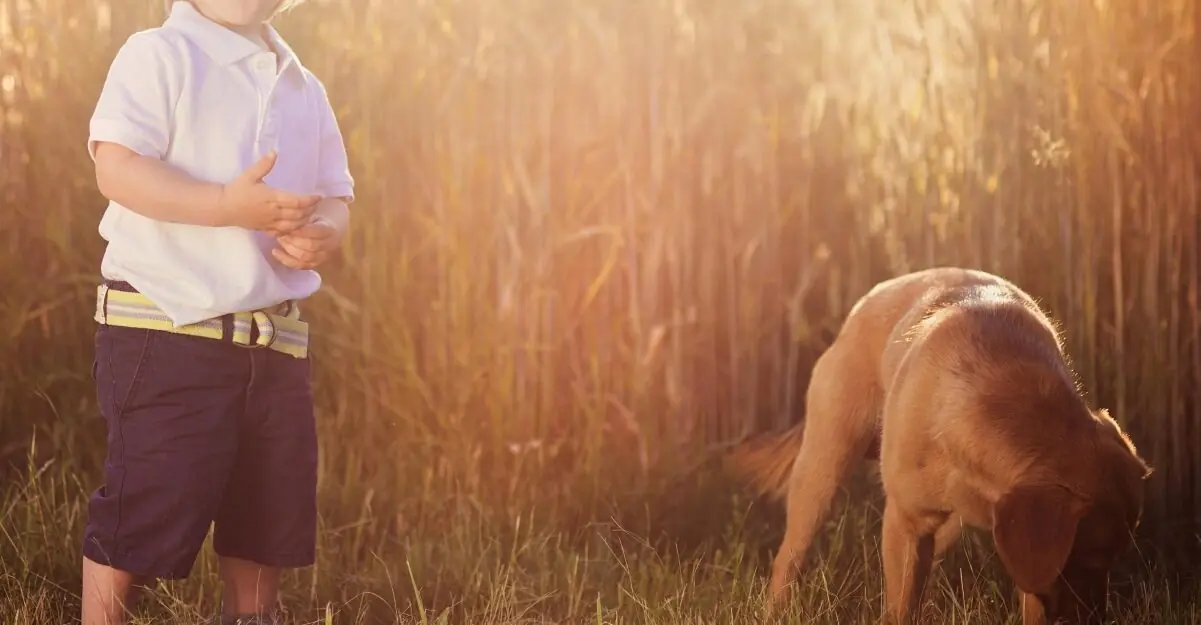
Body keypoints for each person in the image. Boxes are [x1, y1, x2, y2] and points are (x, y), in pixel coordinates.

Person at [81, 1, 354, 623]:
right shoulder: (160, 55)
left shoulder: (302, 85)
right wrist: (226, 205)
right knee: (151, 497)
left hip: (273, 339)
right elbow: (117, 168)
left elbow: (339, 193)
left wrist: (325, 232)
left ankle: (251, 615)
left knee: (268, 503)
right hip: (166, 329)